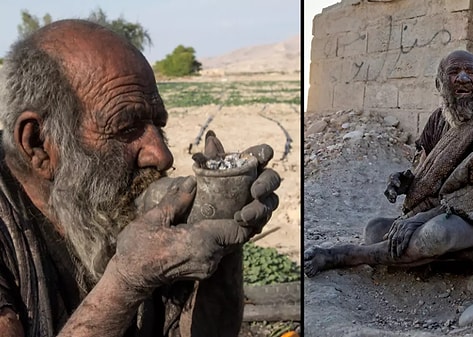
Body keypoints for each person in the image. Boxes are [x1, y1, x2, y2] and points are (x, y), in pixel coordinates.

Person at [0, 19, 279, 336]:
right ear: (38, 144)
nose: (161, 155)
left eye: (157, 124)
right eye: (125, 128)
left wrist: (226, 226)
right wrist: (128, 282)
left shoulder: (114, 204)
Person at [304, 50, 473, 292]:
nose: (462, 78)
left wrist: (416, 220)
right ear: (439, 83)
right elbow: (426, 169)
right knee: (374, 230)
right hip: (447, 210)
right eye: (454, 72)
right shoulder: (440, 118)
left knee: (437, 234)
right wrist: (404, 181)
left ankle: (344, 256)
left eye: (471, 73)